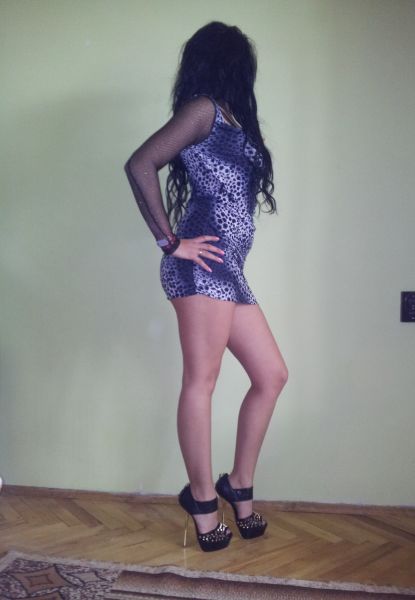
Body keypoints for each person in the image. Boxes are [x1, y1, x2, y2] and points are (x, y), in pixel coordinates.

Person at [124, 21, 288, 552]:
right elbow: (140, 163)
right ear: (229, 63)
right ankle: (201, 502)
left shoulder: (233, 118)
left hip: (229, 271)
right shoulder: (203, 110)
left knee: (271, 375)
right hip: (201, 268)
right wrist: (170, 242)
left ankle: (237, 483)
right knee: (202, 381)